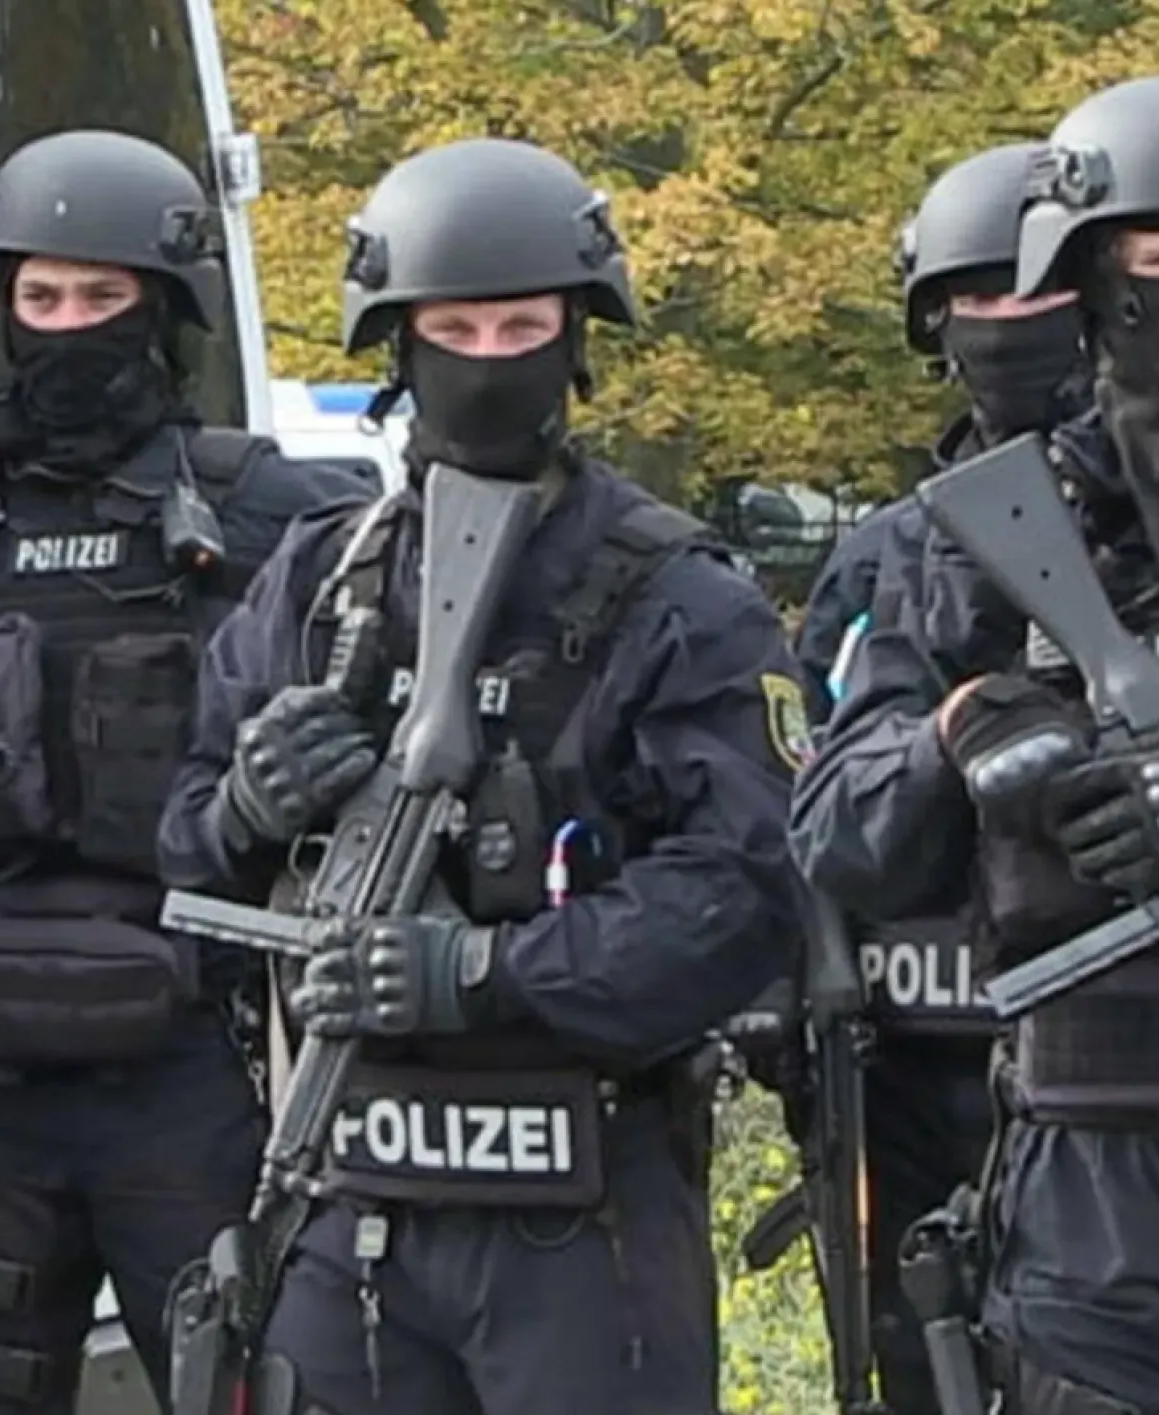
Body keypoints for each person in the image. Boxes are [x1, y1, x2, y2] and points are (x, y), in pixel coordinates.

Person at [158, 135, 808, 1415]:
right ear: (398, 345)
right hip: (348, 1193)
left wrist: (486, 973)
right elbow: (180, 864)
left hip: (584, 1204)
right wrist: (244, 808)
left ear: (577, 337)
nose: (490, 356)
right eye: (455, 324)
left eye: (523, 324)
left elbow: (744, 891)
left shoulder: (676, 597)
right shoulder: (319, 578)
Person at [0, 128, 372, 1415]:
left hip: (200, 1080)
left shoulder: (274, 518)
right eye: (41, 298)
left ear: (164, 312)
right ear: (3, 309)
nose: (69, 327)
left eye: (102, 300)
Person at [790, 74, 1159, 1415]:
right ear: (1098, 281)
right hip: (1086, 1156)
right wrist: (956, 731)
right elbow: (836, 829)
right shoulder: (978, 531)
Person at [791, 142, 1091, 1415]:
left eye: (1044, 302)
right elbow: (822, 802)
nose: (1019, 332)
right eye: (988, 305)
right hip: (918, 1048)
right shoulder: (883, 561)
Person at [796, 142, 1091, 719]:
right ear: (938, 327)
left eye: (1038, 292)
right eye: (982, 299)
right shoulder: (888, 559)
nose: (1011, 320)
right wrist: (945, 746)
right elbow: (826, 779)